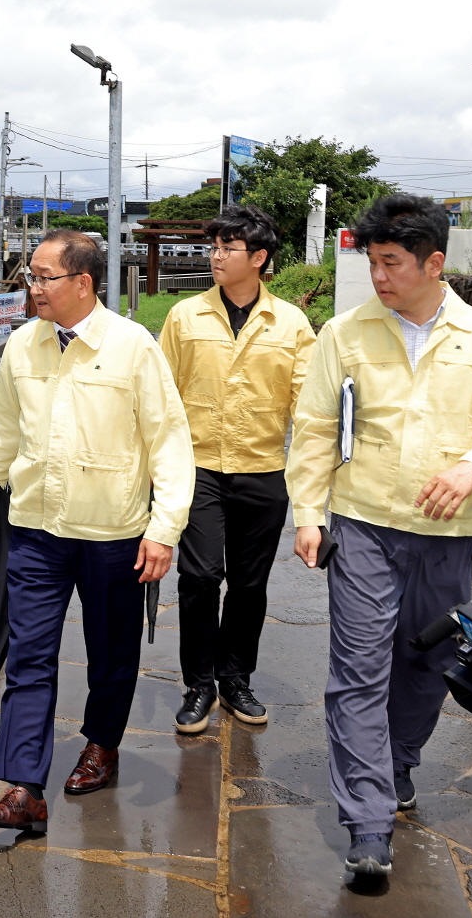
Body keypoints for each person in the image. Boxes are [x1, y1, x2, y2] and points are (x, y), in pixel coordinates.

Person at [286, 194, 472, 875]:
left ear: (434, 263)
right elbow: (312, 429)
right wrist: (309, 512)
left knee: (426, 664)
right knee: (358, 669)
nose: (380, 277)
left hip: (447, 535)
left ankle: (395, 764)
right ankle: (367, 821)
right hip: (362, 525)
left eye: (392, 263)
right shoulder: (344, 333)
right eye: (373, 262)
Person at [0, 229, 194, 833]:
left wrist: (164, 528)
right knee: (30, 657)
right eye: (31, 277)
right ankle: (23, 785)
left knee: (112, 653)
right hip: (36, 528)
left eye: (45, 277)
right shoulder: (21, 346)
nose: (33, 287)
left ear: (83, 283)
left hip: (114, 531)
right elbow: (4, 431)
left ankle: (102, 743)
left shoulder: (132, 348)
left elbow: (169, 441)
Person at [159, 205, 316, 734]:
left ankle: (235, 679)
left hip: (263, 470)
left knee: (250, 585)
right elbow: (161, 398)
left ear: (259, 258)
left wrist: (318, 482)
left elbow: (308, 406)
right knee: (200, 576)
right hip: (199, 468)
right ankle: (198, 683)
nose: (216, 256)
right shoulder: (185, 317)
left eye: (228, 247)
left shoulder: (291, 322)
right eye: (214, 246)